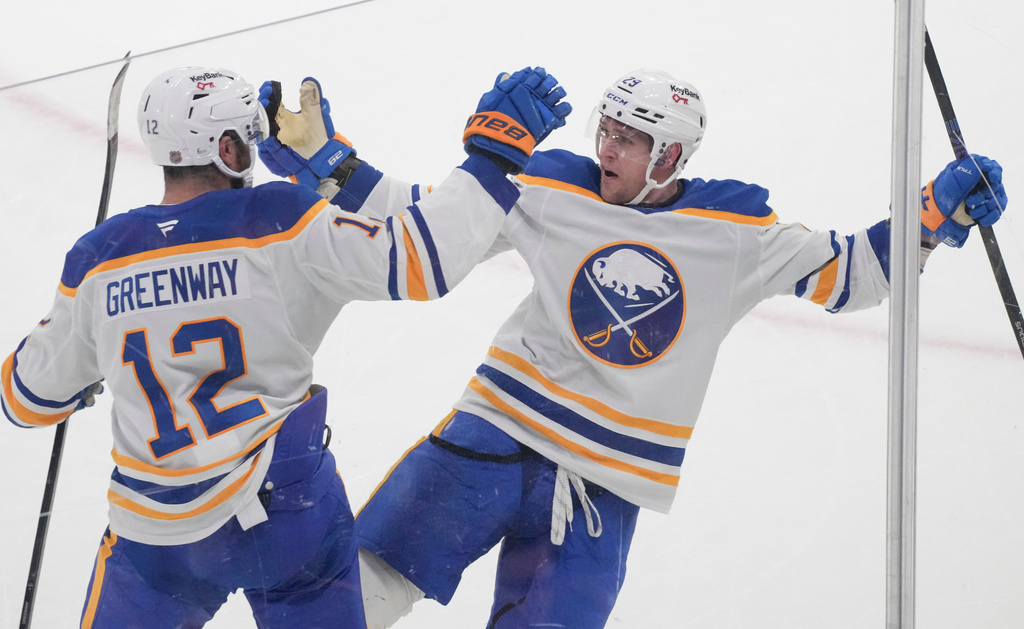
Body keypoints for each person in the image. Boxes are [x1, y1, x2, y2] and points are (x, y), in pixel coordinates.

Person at [256, 68, 1007, 628]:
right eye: (605, 130)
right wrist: (334, 164)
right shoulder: (554, 184)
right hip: (493, 437)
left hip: (604, 485)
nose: (607, 148)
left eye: (629, 138)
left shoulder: (735, 231)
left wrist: (932, 213)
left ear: (671, 155)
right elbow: (432, 220)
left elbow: (854, 274)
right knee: (359, 589)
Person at [1, 64, 569, 628]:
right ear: (227, 148)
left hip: (156, 539)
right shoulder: (279, 219)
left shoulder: (100, 257)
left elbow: (25, 399)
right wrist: (493, 157)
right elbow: (419, 259)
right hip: (285, 518)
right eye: (249, 134)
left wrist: (93, 358)